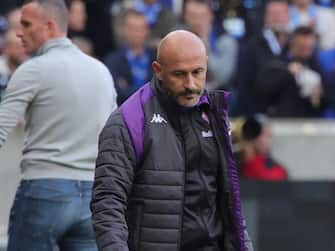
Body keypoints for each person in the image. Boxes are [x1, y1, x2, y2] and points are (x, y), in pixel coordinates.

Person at [91, 30, 253, 251]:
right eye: (179, 74)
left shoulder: (215, 116)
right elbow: (108, 203)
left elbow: (230, 205)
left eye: (198, 72)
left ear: (206, 65)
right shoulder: (128, 121)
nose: (190, 84)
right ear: (158, 70)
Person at [0, 0, 117, 250]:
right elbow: (115, 136)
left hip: (44, 190)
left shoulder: (32, 70)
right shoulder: (101, 71)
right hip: (92, 195)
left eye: (26, 24)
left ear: (49, 26)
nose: (19, 32)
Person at [231, 0, 291, 116]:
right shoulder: (252, 47)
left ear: (288, 16)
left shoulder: (295, 44)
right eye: (273, 14)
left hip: (289, 115)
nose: (277, 18)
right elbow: (245, 85)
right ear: (266, 17)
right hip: (258, 114)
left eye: (281, 14)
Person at [104, 9, 156, 105]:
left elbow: (162, 89)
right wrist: (150, 90)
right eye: (132, 28)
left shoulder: (158, 58)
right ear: (124, 30)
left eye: (140, 28)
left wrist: (127, 88)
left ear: (147, 31)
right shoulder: (112, 61)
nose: (136, 33)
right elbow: (117, 93)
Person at [240, 115, 288, 180]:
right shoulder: (231, 161)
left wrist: (251, 160)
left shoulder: (276, 169)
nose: (257, 138)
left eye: (266, 135)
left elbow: (269, 182)